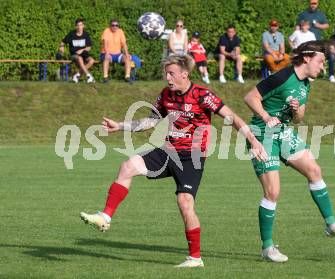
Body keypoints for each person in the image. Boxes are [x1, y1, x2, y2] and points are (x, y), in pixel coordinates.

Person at [80, 54, 267, 268]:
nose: (167, 78)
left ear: (184, 74)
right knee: (127, 166)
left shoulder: (202, 95)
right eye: (166, 73)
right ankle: (105, 216)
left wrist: (253, 140)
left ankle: (195, 258)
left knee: (185, 203)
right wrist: (120, 126)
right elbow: (150, 120)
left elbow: (232, 117)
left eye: (172, 73)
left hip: (192, 157)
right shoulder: (165, 95)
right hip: (169, 151)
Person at [243, 41, 335, 263]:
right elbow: (250, 97)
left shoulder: (306, 84)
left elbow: (300, 118)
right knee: (273, 192)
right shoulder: (281, 77)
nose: (323, 67)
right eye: (321, 61)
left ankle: (331, 224)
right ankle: (267, 247)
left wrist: (295, 110)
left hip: (283, 132)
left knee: (314, 170)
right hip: (262, 134)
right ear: (307, 58)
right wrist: (266, 117)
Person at [59, 18, 95, 83]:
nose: (79, 27)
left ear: (83, 26)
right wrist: (61, 47)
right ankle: (89, 76)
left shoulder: (86, 34)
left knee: (92, 60)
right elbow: (63, 41)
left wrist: (82, 50)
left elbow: (89, 47)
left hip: (84, 54)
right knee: (79, 58)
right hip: (74, 55)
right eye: (78, 25)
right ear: (76, 26)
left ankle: (76, 75)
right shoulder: (71, 34)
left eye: (81, 25)